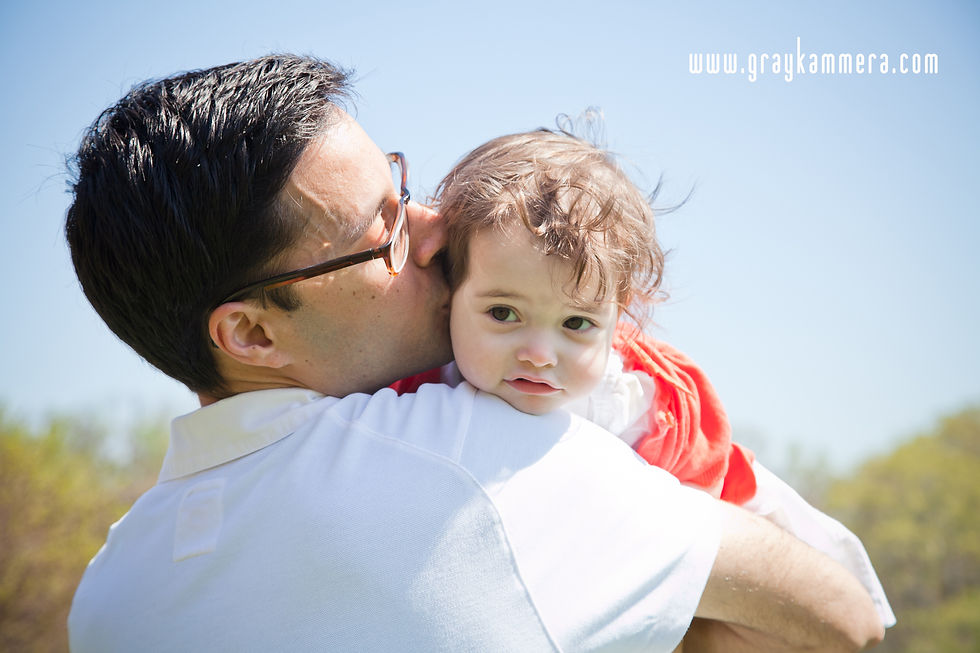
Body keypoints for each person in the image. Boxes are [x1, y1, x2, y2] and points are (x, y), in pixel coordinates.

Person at [64, 54, 884, 652]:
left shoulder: (107, 593)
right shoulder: (478, 455)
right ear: (250, 332)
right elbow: (843, 618)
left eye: (403, 187)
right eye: (382, 230)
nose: (436, 228)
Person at [426, 127, 895, 629]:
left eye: (577, 324)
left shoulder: (638, 406)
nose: (540, 354)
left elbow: (719, 492)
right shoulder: (420, 385)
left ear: (616, 319)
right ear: (448, 291)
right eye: (503, 313)